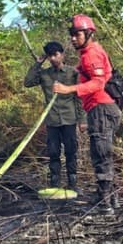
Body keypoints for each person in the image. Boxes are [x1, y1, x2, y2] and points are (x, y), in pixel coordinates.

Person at [52, 14, 122, 214]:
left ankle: (106, 203)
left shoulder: (91, 53)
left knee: (101, 155)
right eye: (71, 34)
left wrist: (69, 89)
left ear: (88, 33)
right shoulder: (89, 53)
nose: (73, 38)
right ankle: (110, 198)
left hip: (101, 109)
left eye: (77, 34)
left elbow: (98, 82)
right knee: (103, 153)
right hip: (101, 109)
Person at [24, 41, 86, 190]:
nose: (53, 58)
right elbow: (28, 82)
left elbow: (79, 97)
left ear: (62, 54)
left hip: (69, 119)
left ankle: (72, 184)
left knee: (71, 151)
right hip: (52, 121)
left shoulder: (72, 73)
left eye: (55, 55)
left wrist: (82, 120)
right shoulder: (45, 74)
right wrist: (38, 64)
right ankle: (55, 184)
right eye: (50, 56)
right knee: (53, 153)